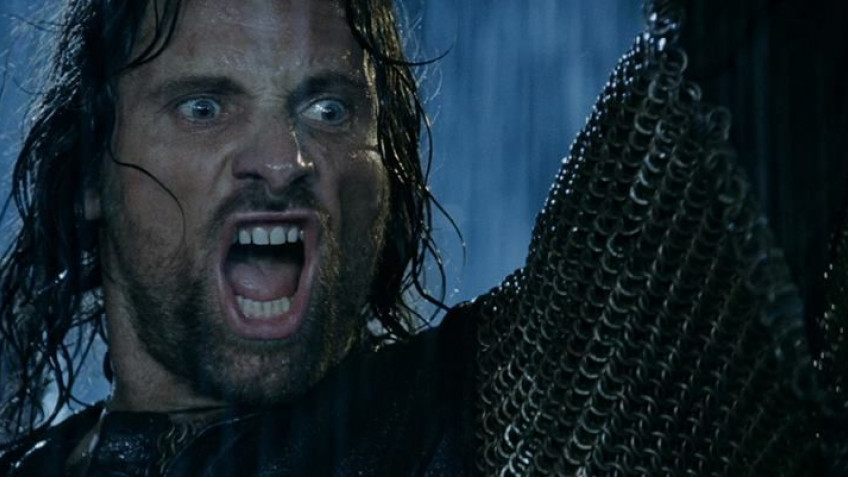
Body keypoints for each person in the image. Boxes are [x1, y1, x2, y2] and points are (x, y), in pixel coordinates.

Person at [0, 0, 841, 475]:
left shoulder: (503, 411)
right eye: (205, 107)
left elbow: (735, 102)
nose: (284, 160)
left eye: (329, 108)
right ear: (89, 176)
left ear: (387, 174)